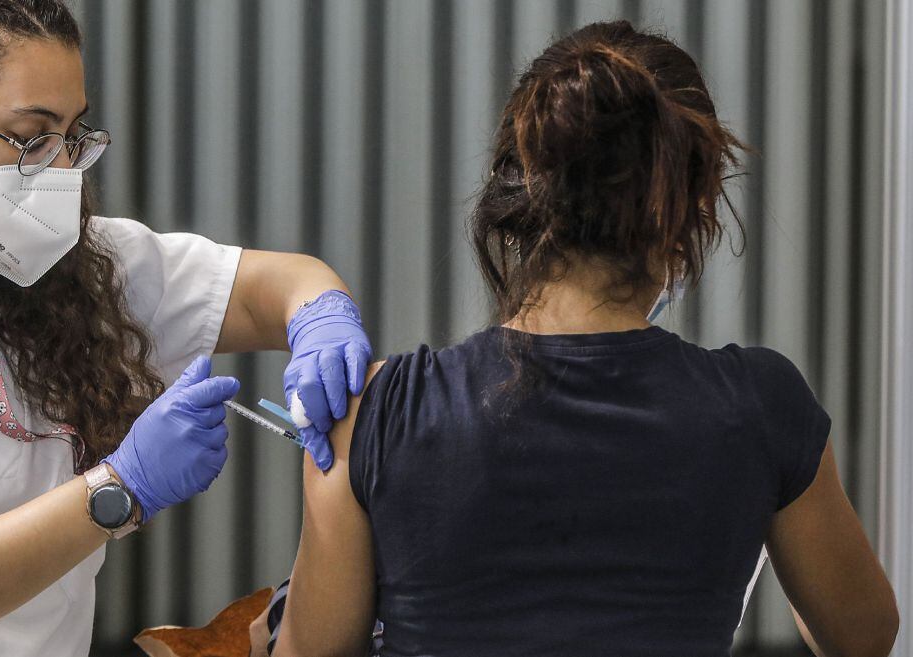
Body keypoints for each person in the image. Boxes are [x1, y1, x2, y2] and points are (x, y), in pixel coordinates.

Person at [263, 21, 899, 657]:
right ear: (685, 209)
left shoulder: (375, 408)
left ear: (516, 193)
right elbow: (863, 635)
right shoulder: (762, 405)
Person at [0, 1, 371, 656]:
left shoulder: (68, 276)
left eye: (73, 136)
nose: (61, 171)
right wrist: (118, 490)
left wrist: (320, 316)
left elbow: (279, 285)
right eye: (32, 138)